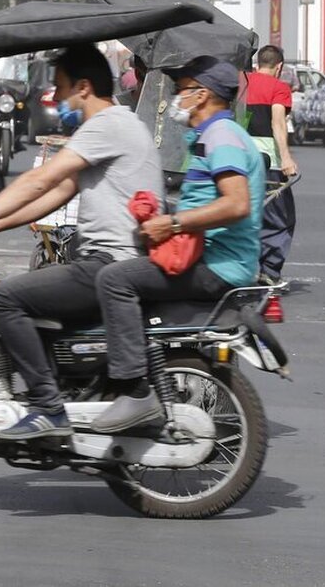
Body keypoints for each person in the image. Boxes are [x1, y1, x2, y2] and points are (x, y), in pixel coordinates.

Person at [0, 44, 163, 440]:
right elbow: (52, 196)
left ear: (84, 87)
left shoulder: (106, 125)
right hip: (105, 260)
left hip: (108, 263)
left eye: (61, 88)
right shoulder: (114, 126)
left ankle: (47, 408)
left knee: (3, 298)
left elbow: (39, 180)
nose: (55, 98)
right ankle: (62, 391)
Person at [91, 56, 264, 434]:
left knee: (113, 280)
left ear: (202, 95)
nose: (173, 100)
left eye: (180, 91)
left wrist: (171, 222)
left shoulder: (222, 137)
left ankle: (135, 392)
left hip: (218, 266)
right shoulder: (213, 137)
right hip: (214, 258)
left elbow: (235, 203)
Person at [246, 44, 299, 283]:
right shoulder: (279, 88)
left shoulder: (242, 83)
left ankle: (248, 266)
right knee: (280, 218)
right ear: (279, 67)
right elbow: (278, 123)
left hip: (239, 157)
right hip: (268, 163)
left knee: (246, 214)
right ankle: (268, 271)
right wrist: (286, 158)